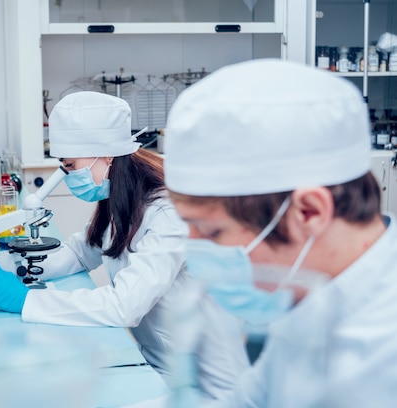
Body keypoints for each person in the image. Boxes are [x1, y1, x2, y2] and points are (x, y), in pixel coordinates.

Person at [0, 91, 249, 400]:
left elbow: (123, 306)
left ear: (108, 155)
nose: (69, 175)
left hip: (202, 380)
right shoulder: (119, 198)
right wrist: (17, 268)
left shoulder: (168, 215)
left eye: (71, 165)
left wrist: (24, 300)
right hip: (156, 362)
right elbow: (82, 250)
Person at [163, 58, 397, 407]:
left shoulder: (381, 349)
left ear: (309, 212)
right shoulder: (310, 290)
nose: (194, 252)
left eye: (212, 232)